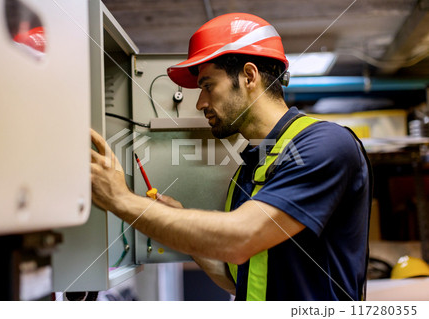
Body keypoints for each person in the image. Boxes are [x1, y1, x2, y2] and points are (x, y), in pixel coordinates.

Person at [90, 13, 372, 301]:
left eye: (208, 86)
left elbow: (239, 239)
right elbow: (236, 278)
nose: (200, 103)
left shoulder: (325, 145)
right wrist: (177, 219)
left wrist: (120, 199)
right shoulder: (251, 166)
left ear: (249, 76)